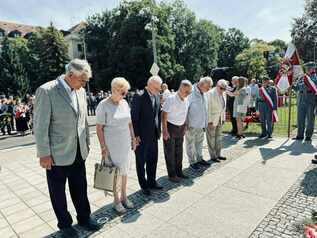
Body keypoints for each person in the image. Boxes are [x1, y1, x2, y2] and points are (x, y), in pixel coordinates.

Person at [33, 59, 100, 237]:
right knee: (58, 193)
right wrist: (44, 154)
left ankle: (84, 218)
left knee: (80, 187)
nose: (85, 85)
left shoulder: (80, 91)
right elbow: (40, 127)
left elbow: (83, 120)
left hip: (79, 152)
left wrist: (86, 143)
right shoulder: (46, 91)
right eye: (83, 81)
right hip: (56, 155)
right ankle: (65, 225)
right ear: (71, 75)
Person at [95, 77, 137, 214]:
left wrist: (133, 138)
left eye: (125, 92)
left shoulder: (124, 103)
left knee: (124, 171)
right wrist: (103, 147)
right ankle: (116, 200)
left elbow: (130, 123)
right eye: (122, 92)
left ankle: (124, 196)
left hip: (125, 143)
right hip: (112, 144)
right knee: (115, 173)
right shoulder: (103, 105)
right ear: (114, 90)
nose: (124, 95)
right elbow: (99, 128)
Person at [131, 76, 163, 196]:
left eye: (159, 89)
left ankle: (152, 181)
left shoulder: (157, 95)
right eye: (156, 88)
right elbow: (134, 118)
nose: (158, 91)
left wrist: (158, 130)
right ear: (149, 85)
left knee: (152, 160)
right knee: (141, 162)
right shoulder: (139, 96)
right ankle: (144, 185)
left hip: (154, 135)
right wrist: (136, 135)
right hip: (141, 137)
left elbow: (158, 114)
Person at [162, 80, 192, 183]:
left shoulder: (186, 99)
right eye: (186, 91)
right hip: (170, 127)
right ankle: (172, 174)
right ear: (180, 88)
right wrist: (165, 131)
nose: (188, 94)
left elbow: (185, 113)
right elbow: (164, 115)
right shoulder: (171, 99)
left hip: (180, 127)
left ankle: (179, 172)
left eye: (189, 92)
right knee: (170, 152)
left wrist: (185, 125)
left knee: (179, 152)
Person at [185, 77, 212, 170]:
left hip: (201, 124)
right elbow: (185, 108)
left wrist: (206, 122)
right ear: (201, 85)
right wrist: (186, 122)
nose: (209, 89)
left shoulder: (203, 92)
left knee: (199, 142)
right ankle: (192, 162)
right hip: (191, 124)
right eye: (208, 87)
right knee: (190, 144)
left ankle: (199, 159)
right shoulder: (191, 92)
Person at [293, 62, 317, 142]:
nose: (307, 69)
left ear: (313, 69)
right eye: (306, 68)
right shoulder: (302, 78)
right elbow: (297, 88)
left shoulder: (315, 77)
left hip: (311, 100)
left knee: (310, 119)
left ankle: (308, 136)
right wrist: (292, 85)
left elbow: (309, 86)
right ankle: (300, 135)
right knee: (300, 118)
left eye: (309, 68)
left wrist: (301, 86)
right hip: (301, 99)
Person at [206, 80, 228, 163]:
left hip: (220, 118)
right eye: (221, 88)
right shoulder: (210, 93)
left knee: (219, 137)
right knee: (211, 138)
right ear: (217, 85)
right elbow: (208, 108)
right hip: (212, 119)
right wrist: (209, 121)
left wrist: (223, 118)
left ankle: (218, 154)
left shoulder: (224, 93)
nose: (223, 90)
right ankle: (213, 156)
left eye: (224, 88)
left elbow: (223, 107)